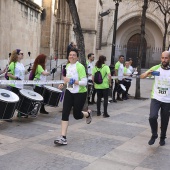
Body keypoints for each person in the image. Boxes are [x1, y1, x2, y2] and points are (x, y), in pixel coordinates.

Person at [54, 48, 92, 145]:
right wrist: (64, 84)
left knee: (77, 115)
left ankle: (87, 114)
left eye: (74, 55)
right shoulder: (67, 66)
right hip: (69, 92)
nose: (71, 56)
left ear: (77, 57)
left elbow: (84, 82)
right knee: (65, 113)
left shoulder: (80, 67)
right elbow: (67, 80)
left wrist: (72, 81)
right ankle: (63, 137)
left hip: (80, 93)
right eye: (70, 55)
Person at [140, 51, 170, 146]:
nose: (164, 60)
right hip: (156, 98)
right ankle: (154, 134)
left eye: (166, 58)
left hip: (167, 100)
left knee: (165, 121)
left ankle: (162, 137)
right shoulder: (156, 68)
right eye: (162, 58)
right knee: (152, 117)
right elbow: (142, 76)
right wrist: (148, 73)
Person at [7, 49, 31, 119]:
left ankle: (20, 113)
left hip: (20, 86)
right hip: (14, 86)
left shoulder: (21, 64)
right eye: (21, 54)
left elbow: (23, 73)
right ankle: (8, 116)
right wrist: (16, 78)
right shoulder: (12, 64)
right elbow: (8, 74)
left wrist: (28, 70)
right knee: (12, 102)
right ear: (17, 55)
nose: (23, 55)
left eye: (23, 54)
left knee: (20, 100)